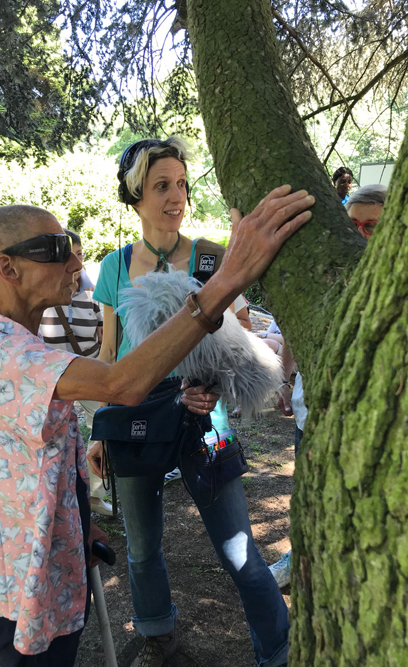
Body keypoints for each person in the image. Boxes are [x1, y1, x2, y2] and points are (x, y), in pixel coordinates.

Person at [0, 182, 313, 666]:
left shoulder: (8, 344)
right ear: (7, 267)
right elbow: (123, 383)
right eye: (57, 250)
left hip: (47, 564)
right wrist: (225, 280)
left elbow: (24, 460)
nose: (76, 263)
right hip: (27, 585)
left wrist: (79, 526)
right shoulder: (4, 354)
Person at [90, 137, 312, 667]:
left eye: (183, 184)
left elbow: (237, 335)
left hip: (202, 414)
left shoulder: (213, 256)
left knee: (238, 552)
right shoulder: (114, 267)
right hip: (138, 418)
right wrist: (100, 430)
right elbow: (107, 354)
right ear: (134, 193)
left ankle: (279, 652)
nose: (177, 196)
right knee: (141, 550)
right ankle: (158, 636)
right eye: (161, 185)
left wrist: (210, 384)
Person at [269, 182, 388, 589]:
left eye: (370, 227)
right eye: (351, 225)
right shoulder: (324, 270)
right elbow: (292, 329)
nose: (357, 236)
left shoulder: (402, 283)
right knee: (308, 492)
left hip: (371, 420)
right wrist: (285, 380)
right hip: (312, 411)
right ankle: (299, 558)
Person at [38, 230, 110, 516]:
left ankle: (94, 496)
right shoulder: (43, 291)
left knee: (102, 426)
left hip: (89, 370)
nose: (76, 262)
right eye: (69, 255)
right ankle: (58, 498)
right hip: (54, 378)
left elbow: (104, 330)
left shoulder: (91, 290)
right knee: (54, 435)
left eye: (79, 254)